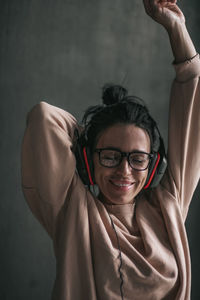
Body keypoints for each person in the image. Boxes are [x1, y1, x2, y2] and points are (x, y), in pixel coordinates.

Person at [21, 0, 200, 299]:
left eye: (137, 158)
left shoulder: (168, 207)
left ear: (153, 166)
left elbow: (193, 92)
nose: (124, 170)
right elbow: (43, 118)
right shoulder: (73, 211)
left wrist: (175, 26)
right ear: (89, 161)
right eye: (111, 156)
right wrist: (85, 143)